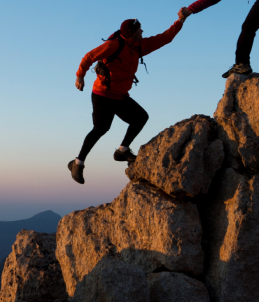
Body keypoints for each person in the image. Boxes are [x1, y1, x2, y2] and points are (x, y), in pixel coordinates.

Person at [68, 16, 185, 184]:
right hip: (102, 94)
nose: (143, 31)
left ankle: (122, 151)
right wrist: (80, 75)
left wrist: (180, 21)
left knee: (140, 117)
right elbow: (89, 56)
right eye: (140, 29)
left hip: (120, 96)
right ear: (131, 33)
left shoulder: (138, 47)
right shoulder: (114, 45)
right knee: (101, 128)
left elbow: (164, 38)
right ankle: (77, 163)